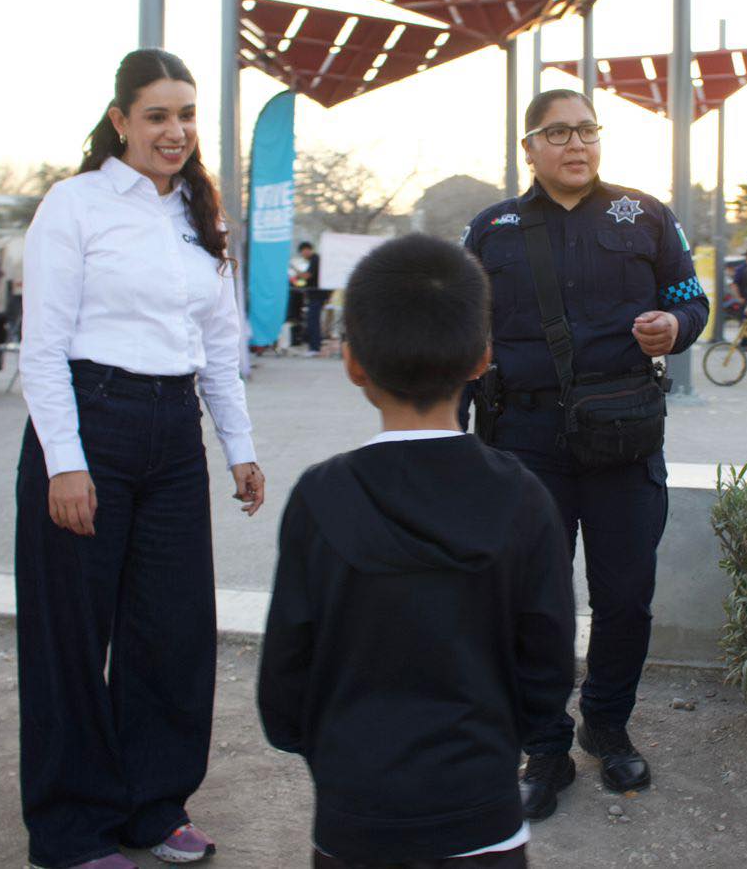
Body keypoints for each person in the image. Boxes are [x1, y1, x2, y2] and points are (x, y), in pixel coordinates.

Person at [15, 48, 265, 869]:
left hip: (171, 436)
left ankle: (152, 809)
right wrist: (65, 462)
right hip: (90, 425)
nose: (176, 131)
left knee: (173, 634)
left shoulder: (200, 215)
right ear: (120, 121)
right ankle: (71, 830)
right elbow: (43, 348)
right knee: (72, 639)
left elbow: (219, 348)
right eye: (157, 115)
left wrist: (240, 450)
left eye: (187, 114)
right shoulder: (76, 204)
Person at [258, 233, 575, 868]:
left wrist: (317, 744)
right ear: (482, 357)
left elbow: (287, 664)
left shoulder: (320, 498)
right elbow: (547, 664)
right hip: (484, 810)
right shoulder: (524, 498)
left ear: (353, 363)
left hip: (354, 816)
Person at [463, 88, 708, 820]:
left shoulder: (644, 214)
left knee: (625, 595)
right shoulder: (492, 229)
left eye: (588, 131)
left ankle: (607, 722)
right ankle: (544, 744)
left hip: (624, 434)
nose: (576, 145)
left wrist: (678, 323)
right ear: (529, 148)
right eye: (558, 133)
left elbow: (693, 297)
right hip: (523, 440)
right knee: (534, 601)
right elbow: (461, 337)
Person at [295, 241, 324, 356]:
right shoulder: (314, 260)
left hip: (317, 295)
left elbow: (307, 276)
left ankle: (315, 348)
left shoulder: (315, 259)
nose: (303, 254)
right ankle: (314, 347)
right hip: (314, 295)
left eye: (303, 252)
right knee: (313, 321)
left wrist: (296, 271)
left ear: (307, 250)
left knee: (313, 321)